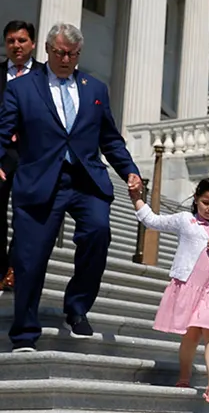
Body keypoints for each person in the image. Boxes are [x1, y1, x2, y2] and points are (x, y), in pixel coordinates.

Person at [0, 23, 142, 352]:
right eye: (61, 52)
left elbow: (109, 138)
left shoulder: (95, 89)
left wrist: (129, 171)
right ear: (47, 50)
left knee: (98, 233)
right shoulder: (21, 89)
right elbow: (3, 131)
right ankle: (24, 333)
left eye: (73, 54)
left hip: (86, 180)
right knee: (30, 259)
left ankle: (77, 307)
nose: (66, 59)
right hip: (39, 181)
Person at [130, 178, 209, 406]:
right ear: (196, 199)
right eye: (205, 202)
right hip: (188, 287)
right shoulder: (185, 220)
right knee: (190, 337)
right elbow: (154, 221)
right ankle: (184, 376)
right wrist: (137, 199)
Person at [1, 19, 37, 292]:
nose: (16, 45)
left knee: (26, 217)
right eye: (11, 40)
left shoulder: (47, 77)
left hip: (34, 156)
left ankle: (13, 267)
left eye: (22, 40)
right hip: (3, 154)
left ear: (33, 44)